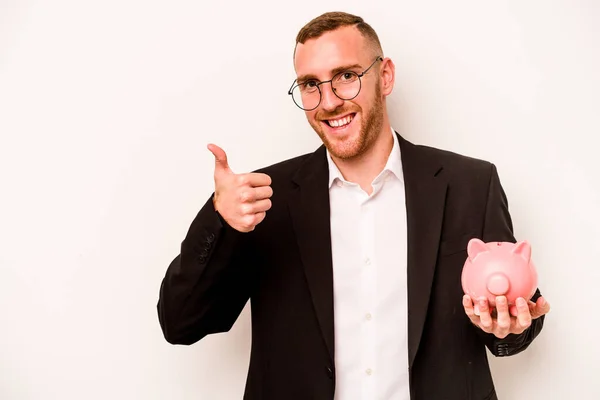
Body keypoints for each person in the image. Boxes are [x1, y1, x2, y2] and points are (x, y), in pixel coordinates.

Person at [156, 11, 550, 400]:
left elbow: (510, 317)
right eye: (311, 84)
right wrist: (218, 219)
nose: (328, 102)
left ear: (386, 76)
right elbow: (181, 323)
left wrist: (509, 327)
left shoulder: (469, 184)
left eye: (346, 76)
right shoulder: (264, 200)